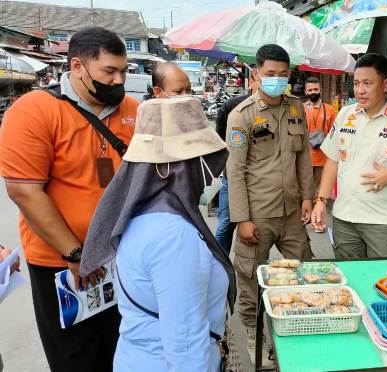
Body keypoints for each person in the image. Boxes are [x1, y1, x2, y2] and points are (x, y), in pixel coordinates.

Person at [0, 27, 137, 372]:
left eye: (123, 71)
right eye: (109, 71)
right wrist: (76, 254)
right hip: (62, 264)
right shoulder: (34, 111)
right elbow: (24, 191)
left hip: (120, 258)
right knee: (75, 356)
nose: (119, 80)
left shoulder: (131, 110)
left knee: (121, 348)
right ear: (77, 66)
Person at [80, 97, 237, 372]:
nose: (210, 175)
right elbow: (186, 349)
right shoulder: (174, 238)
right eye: (198, 159)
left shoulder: (146, 215)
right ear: (168, 168)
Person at [225, 44, 314, 364]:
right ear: (256, 74)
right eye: (270, 74)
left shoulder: (296, 108)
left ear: (289, 75)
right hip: (257, 213)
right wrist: (241, 219)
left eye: (282, 74)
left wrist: (307, 196)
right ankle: (254, 335)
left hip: (291, 210)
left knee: (305, 270)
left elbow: (303, 155)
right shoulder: (241, 116)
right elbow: (234, 172)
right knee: (250, 277)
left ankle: (299, 328)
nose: (276, 79)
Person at [311, 53, 387, 258]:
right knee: (350, 279)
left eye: (368, 83)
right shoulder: (345, 115)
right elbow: (333, 160)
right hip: (344, 219)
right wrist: (321, 200)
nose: (360, 90)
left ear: (385, 85)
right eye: (357, 83)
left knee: (384, 281)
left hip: (383, 221)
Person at [214, 73, 256, 255]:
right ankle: (218, 263)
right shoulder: (233, 106)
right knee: (225, 224)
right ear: (254, 79)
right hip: (232, 177)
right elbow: (220, 139)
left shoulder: (278, 109)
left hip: (259, 181)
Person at [303, 76, 336, 233]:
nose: (313, 92)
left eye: (315, 89)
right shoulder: (300, 109)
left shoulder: (330, 110)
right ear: (305, 91)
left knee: (320, 194)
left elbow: (333, 135)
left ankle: (318, 222)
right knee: (303, 191)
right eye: (310, 90)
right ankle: (303, 219)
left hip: (323, 159)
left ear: (320, 90)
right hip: (304, 159)